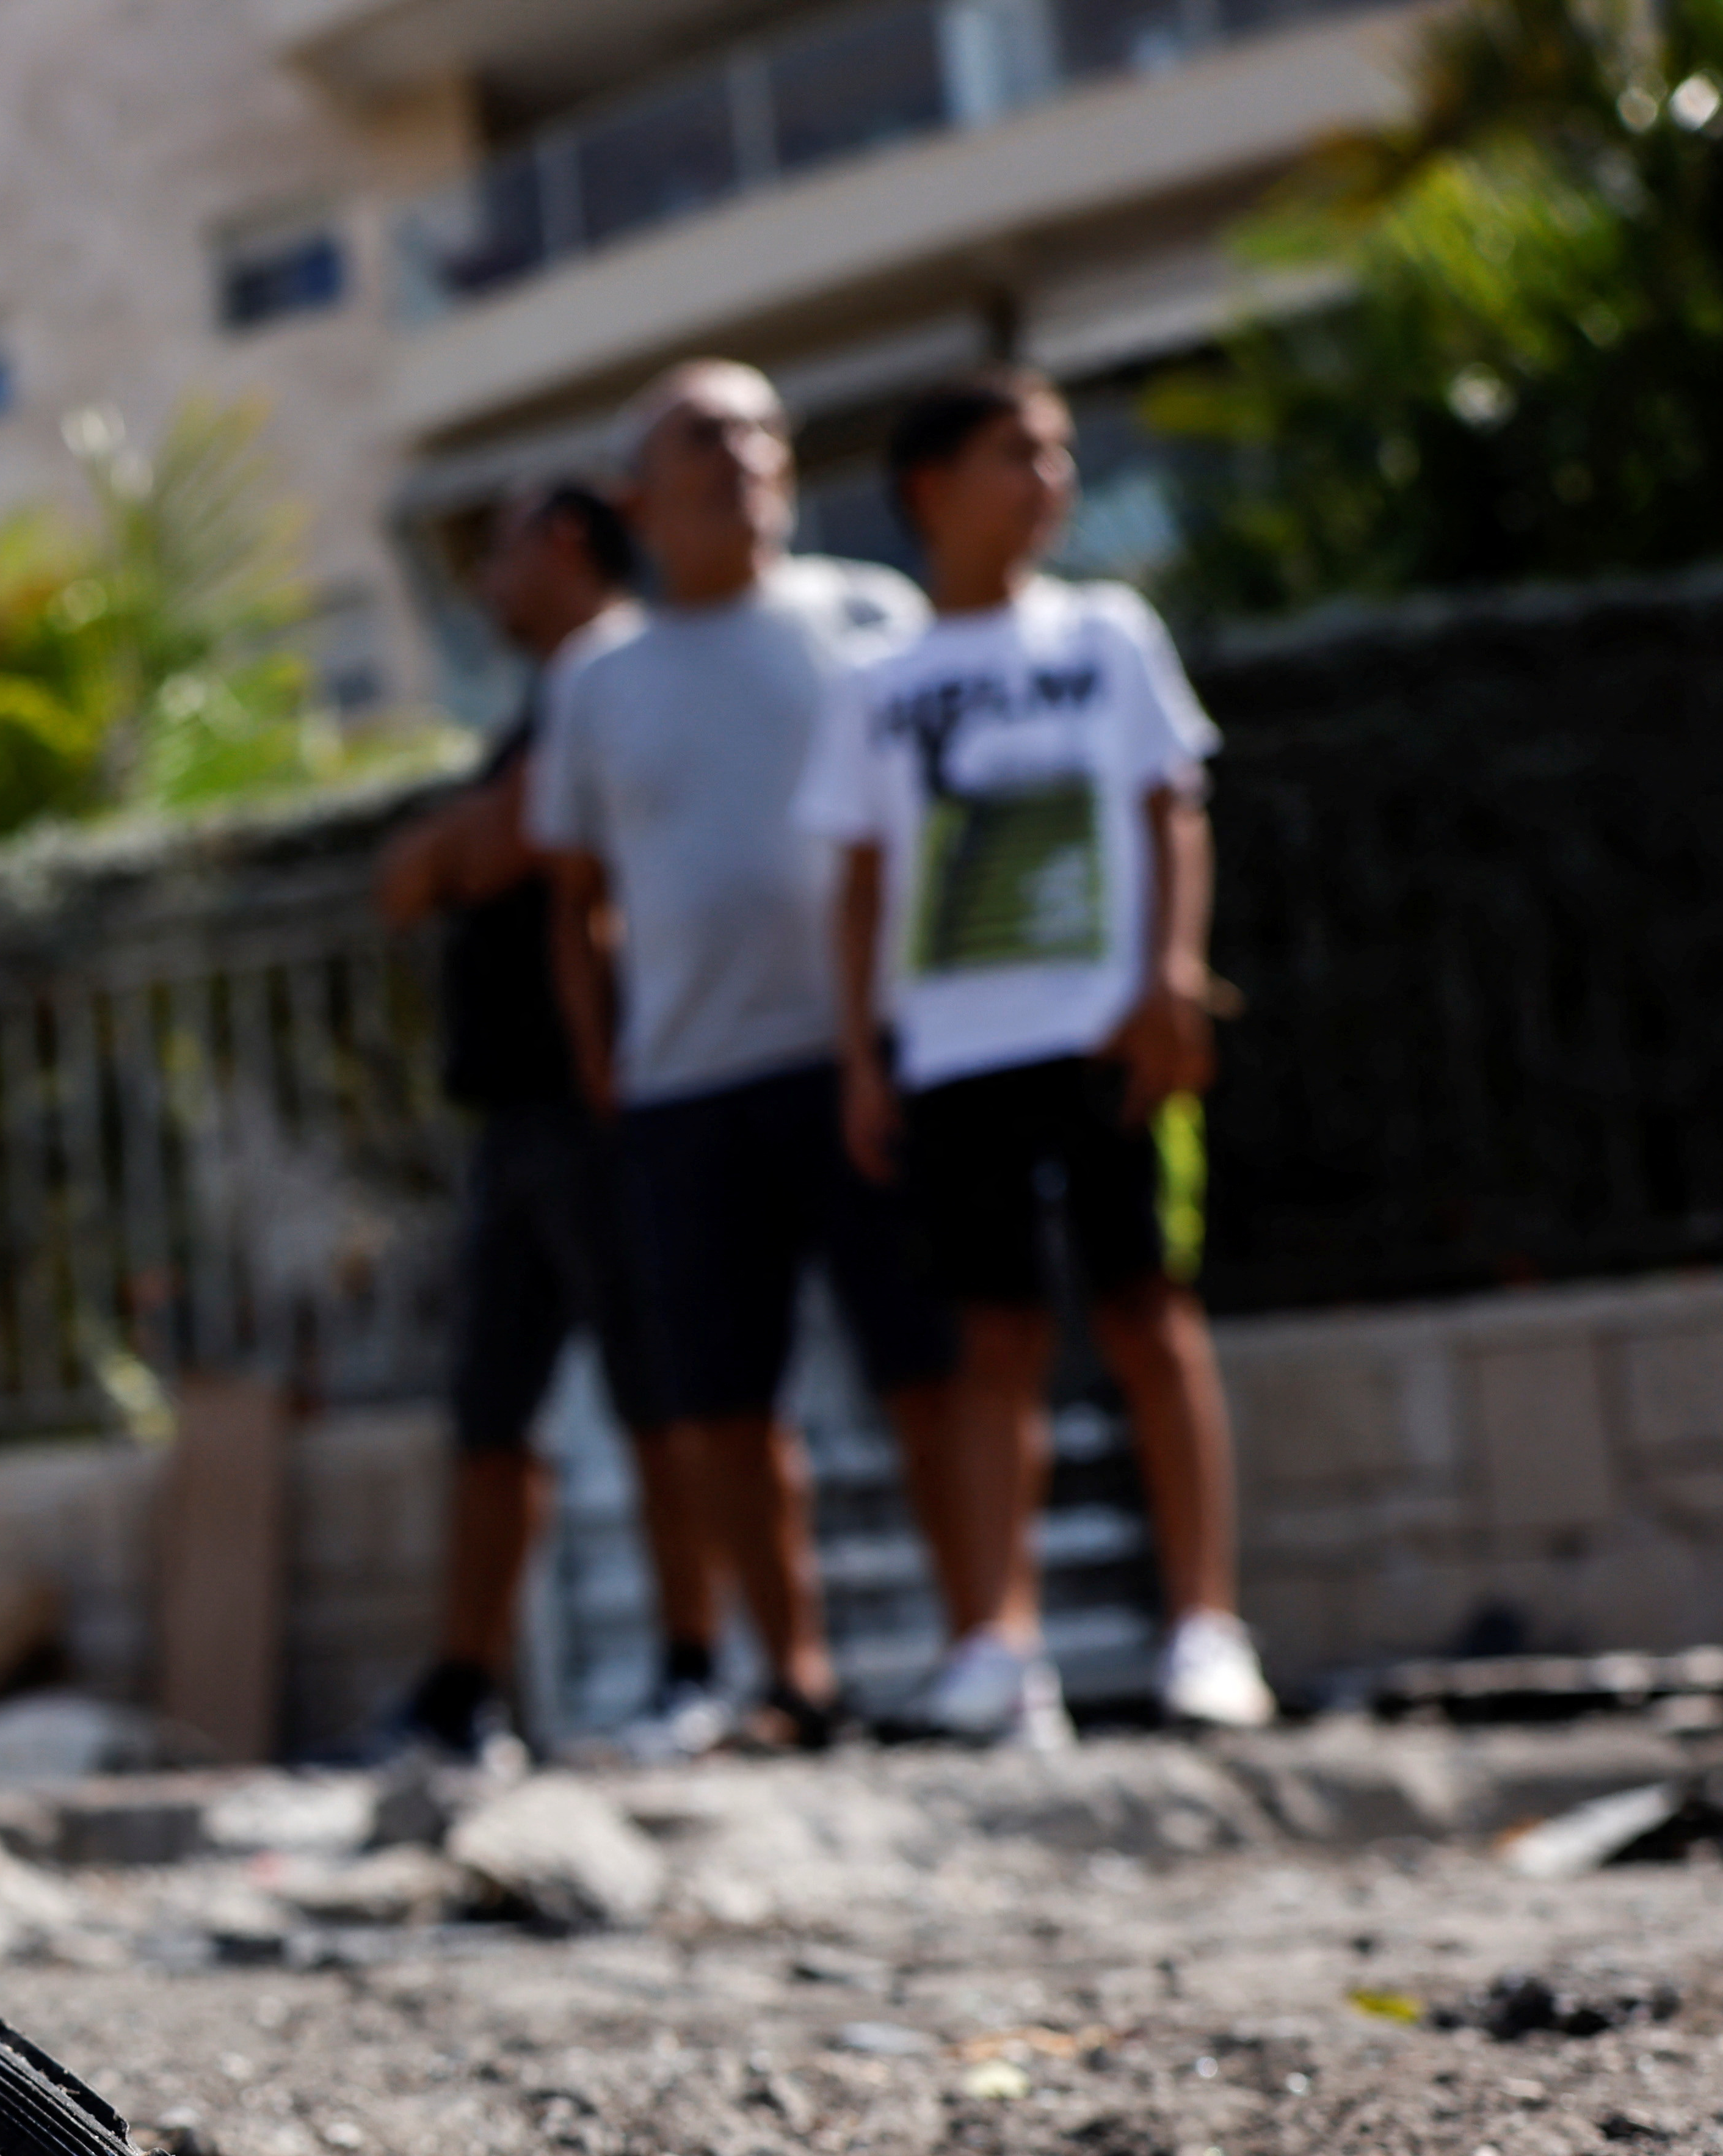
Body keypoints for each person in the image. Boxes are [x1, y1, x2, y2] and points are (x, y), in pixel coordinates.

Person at [807, 364, 1273, 1745]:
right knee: (989, 1342)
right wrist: (861, 1057)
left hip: (1103, 1035)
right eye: (1019, 452)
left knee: (1148, 1313)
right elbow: (860, 882)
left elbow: (1171, 806)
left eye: (1061, 453)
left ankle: (1207, 1627)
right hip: (954, 1058)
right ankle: (996, 1649)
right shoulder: (875, 684)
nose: (1051, 480)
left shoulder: (1108, 633)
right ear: (930, 487)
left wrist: (1170, 973)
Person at [523, 361, 970, 1748]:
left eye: (762, 431)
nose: (742, 456)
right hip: (686, 1088)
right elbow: (572, 899)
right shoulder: (598, 679)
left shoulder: (872, 618)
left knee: (928, 1367)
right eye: (703, 437)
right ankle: (795, 1678)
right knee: (724, 1399)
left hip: (867, 1062)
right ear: (639, 497)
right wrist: (604, 1060)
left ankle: (987, 1653)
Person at [374, 483, 723, 1757]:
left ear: (567, 542)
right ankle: (460, 1691)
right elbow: (411, 878)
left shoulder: (624, 682)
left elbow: (506, 847)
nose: (484, 585)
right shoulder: (543, 710)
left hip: (612, 1100)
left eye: (502, 550)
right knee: (491, 1415)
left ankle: (695, 1663)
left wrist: (469, 844)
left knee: (660, 1399)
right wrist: (463, 843)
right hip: (516, 1118)